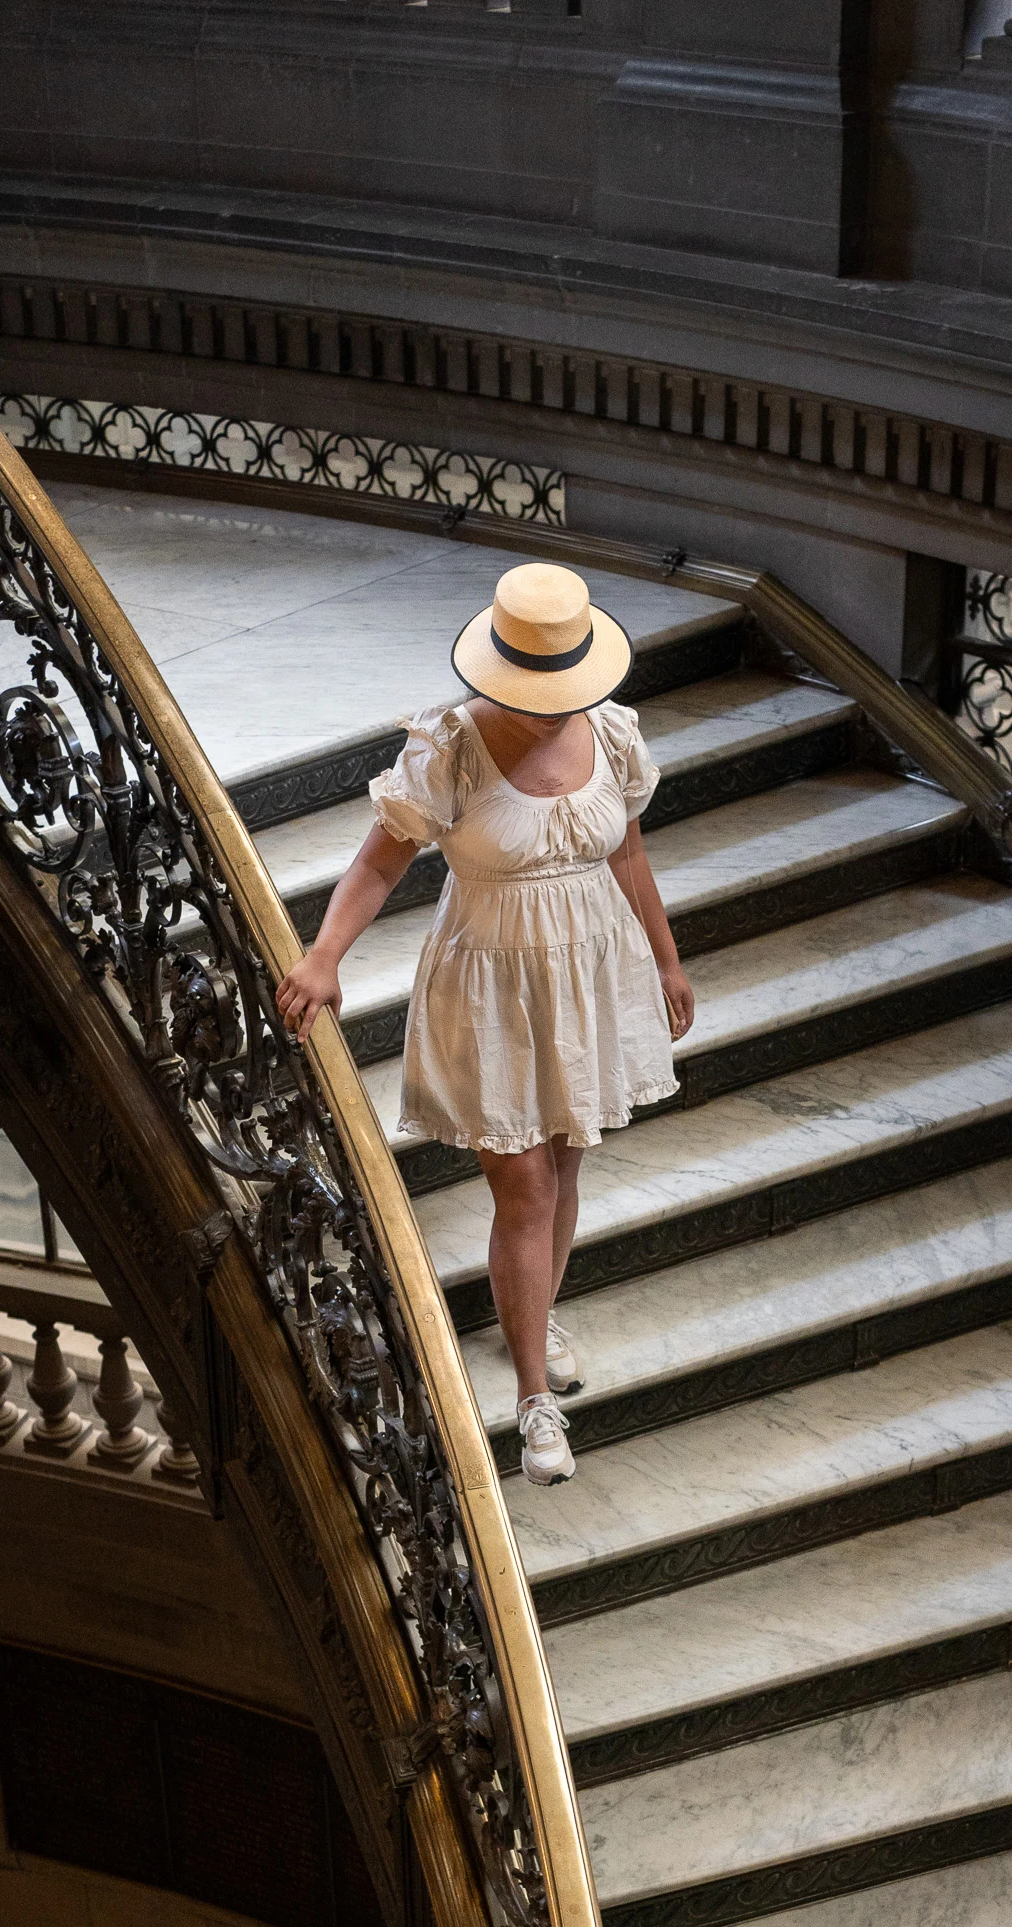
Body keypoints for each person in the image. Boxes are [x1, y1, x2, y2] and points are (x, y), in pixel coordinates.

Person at [275, 563, 694, 1485]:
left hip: (589, 970)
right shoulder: (451, 746)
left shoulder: (611, 734)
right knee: (525, 1188)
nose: (549, 711)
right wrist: (324, 955)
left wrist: (664, 958)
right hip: (491, 982)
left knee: (567, 1158)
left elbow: (626, 850)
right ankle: (534, 1402)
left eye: (561, 693)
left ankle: (535, 1318)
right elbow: (379, 865)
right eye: (532, 693)